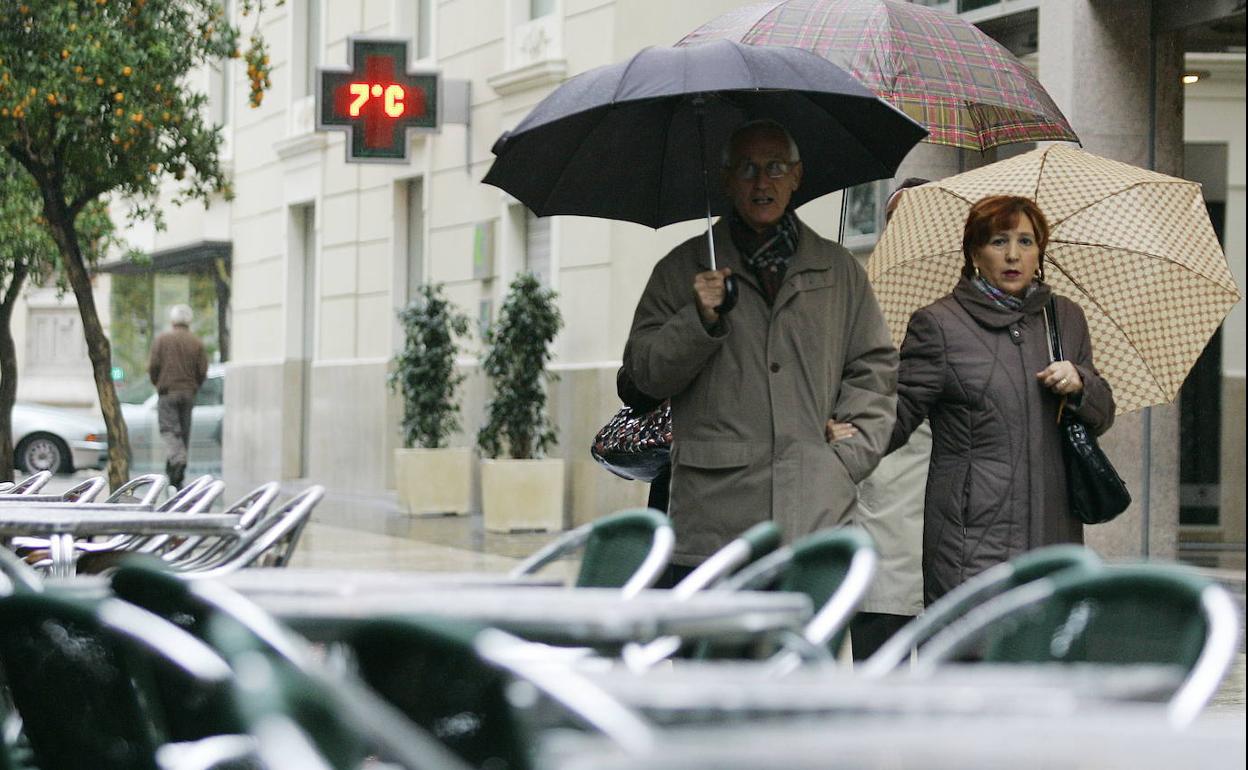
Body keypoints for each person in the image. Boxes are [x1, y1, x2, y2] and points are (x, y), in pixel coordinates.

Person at [623, 119, 897, 585]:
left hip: (816, 515)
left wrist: (848, 456)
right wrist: (699, 318)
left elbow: (873, 368)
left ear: (796, 176)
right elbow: (642, 378)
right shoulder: (681, 269)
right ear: (727, 180)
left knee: (803, 654)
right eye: (747, 169)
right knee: (715, 658)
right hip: (715, 523)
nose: (762, 182)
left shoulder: (838, 269)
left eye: (775, 167)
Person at [889, 195, 1115, 605]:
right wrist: (843, 425)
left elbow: (1102, 414)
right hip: (970, 542)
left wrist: (1080, 382)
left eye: (1026, 242)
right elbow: (896, 416)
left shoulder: (1065, 318)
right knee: (972, 661)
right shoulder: (938, 324)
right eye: (998, 241)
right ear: (975, 251)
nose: (1013, 255)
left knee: (1042, 661)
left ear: (1040, 251)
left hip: (1053, 533)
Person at [841, 177, 932, 660]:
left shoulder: (969, 303)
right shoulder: (862, 293)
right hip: (883, 492)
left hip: (945, 504)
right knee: (882, 641)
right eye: (900, 219)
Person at [149, 304, 208, 488]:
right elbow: (202, 370)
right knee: (183, 432)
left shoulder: (162, 340)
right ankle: (175, 474)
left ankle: (178, 460)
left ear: (172, 321)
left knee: (169, 430)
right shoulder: (196, 343)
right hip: (188, 393)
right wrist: (194, 386)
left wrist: (158, 384)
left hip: (168, 392)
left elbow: (153, 367)